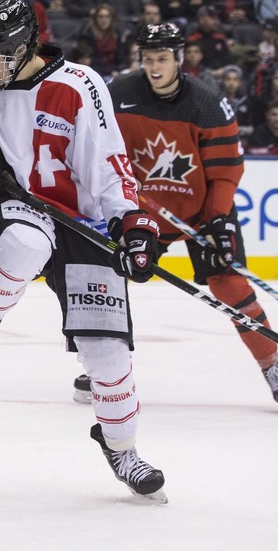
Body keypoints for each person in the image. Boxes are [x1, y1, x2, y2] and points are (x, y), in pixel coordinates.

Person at [0, 0, 166, 501]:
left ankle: (122, 449)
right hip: (13, 207)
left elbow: (108, 165)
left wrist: (132, 222)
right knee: (24, 241)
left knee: (107, 359)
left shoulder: (80, 85)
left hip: (80, 223)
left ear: (21, 46)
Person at [98, 22, 278, 403]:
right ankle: (106, 370)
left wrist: (217, 220)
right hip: (141, 212)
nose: (155, 67)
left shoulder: (208, 102)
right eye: (148, 59)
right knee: (110, 286)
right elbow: (99, 149)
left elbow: (226, 170)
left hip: (200, 212)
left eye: (162, 59)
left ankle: (272, 364)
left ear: (179, 59)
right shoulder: (118, 95)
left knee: (230, 286)